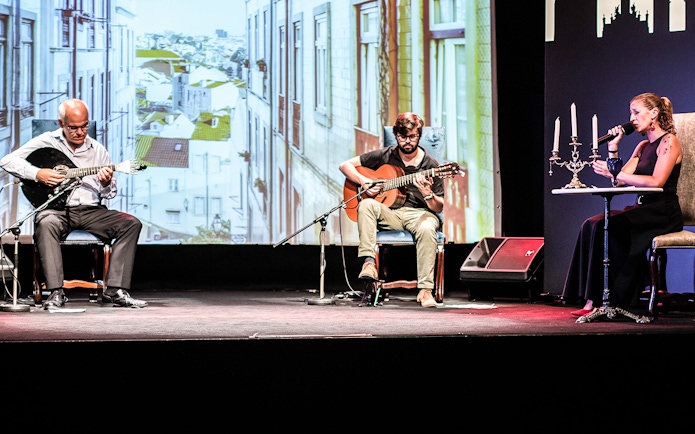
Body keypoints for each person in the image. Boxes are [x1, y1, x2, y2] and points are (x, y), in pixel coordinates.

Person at [0, 98, 147, 309]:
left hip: (91, 210)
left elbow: (110, 193)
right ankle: (56, 292)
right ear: (61, 124)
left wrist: (105, 183)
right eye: (74, 127)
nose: (80, 132)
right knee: (46, 222)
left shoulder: (97, 149)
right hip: (56, 210)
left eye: (85, 126)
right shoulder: (47, 141)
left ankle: (115, 290)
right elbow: (7, 161)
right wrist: (38, 173)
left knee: (131, 223)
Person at [562, 92, 683, 316]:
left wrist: (613, 173)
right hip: (643, 208)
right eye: (631, 113)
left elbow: (657, 181)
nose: (632, 118)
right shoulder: (642, 146)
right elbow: (619, 178)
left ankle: (615, 298)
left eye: (636, 112)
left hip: (662, 211)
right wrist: (613, 146)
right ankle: (592, 298)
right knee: (592, 224)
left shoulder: (669, 141)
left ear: (654, 113)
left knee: (611, 227)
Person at [339, 112, 444, 307]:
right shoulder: (386, 155)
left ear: (419, 136)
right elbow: (345, 165)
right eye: (402, 137)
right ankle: (369, 263)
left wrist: (428, 193)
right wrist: (365, 181)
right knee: (367, 204)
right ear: (396, 136)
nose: (407, 142)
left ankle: (425, 291)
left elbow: (439, 206)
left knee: (428, 227)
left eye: (412, 136)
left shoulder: (431, 165)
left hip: (419, 214)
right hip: (390, 213)